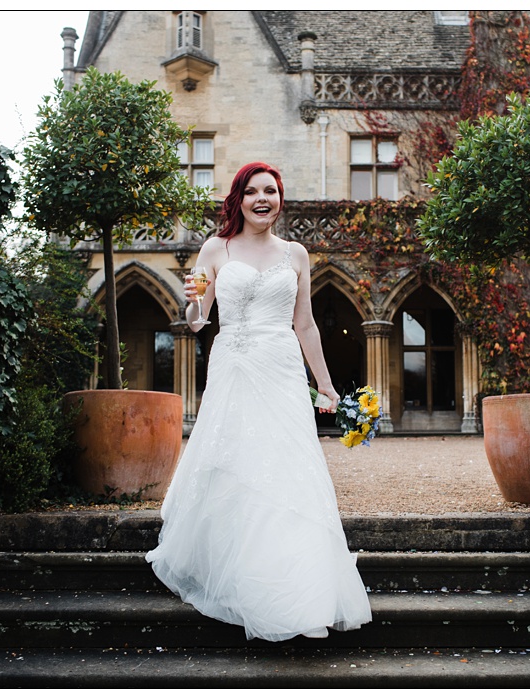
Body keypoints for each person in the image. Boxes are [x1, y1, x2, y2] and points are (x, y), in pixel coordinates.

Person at [146, 162, 372, 640]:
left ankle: (298, 593)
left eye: (270, 190)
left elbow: (305, 324)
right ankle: (239, 580)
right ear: (239, 199)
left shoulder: (296, 254)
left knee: (286, 467)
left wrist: (327, 385)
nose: (262, 198)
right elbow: (196, 321)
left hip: (282, 366)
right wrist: (191, 298)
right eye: (252, 192)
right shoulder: (216, 247)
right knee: (238, 462)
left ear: (280, 198)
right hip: (234, 363)